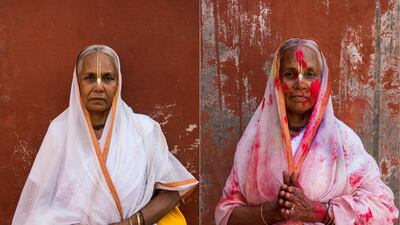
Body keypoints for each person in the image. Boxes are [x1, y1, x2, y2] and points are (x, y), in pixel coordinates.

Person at [215, 38, 398, 225]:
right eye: (290, 73)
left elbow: (384, 209)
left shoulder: (342, 141)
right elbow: (225, 216)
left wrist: (320, 212)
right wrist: (273, 212)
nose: (300, 84)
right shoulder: (254, 143)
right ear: (276, 81)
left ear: (323, 81)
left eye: (310, 74)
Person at [12, 45, 198, 225]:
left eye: (108, 78)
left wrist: (133, 223)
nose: (98, 87)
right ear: (77, 83)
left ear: (118, 83)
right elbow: (40, 201)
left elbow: (171, 193)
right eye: (90, 78)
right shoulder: (60, 131)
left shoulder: (144, 130)